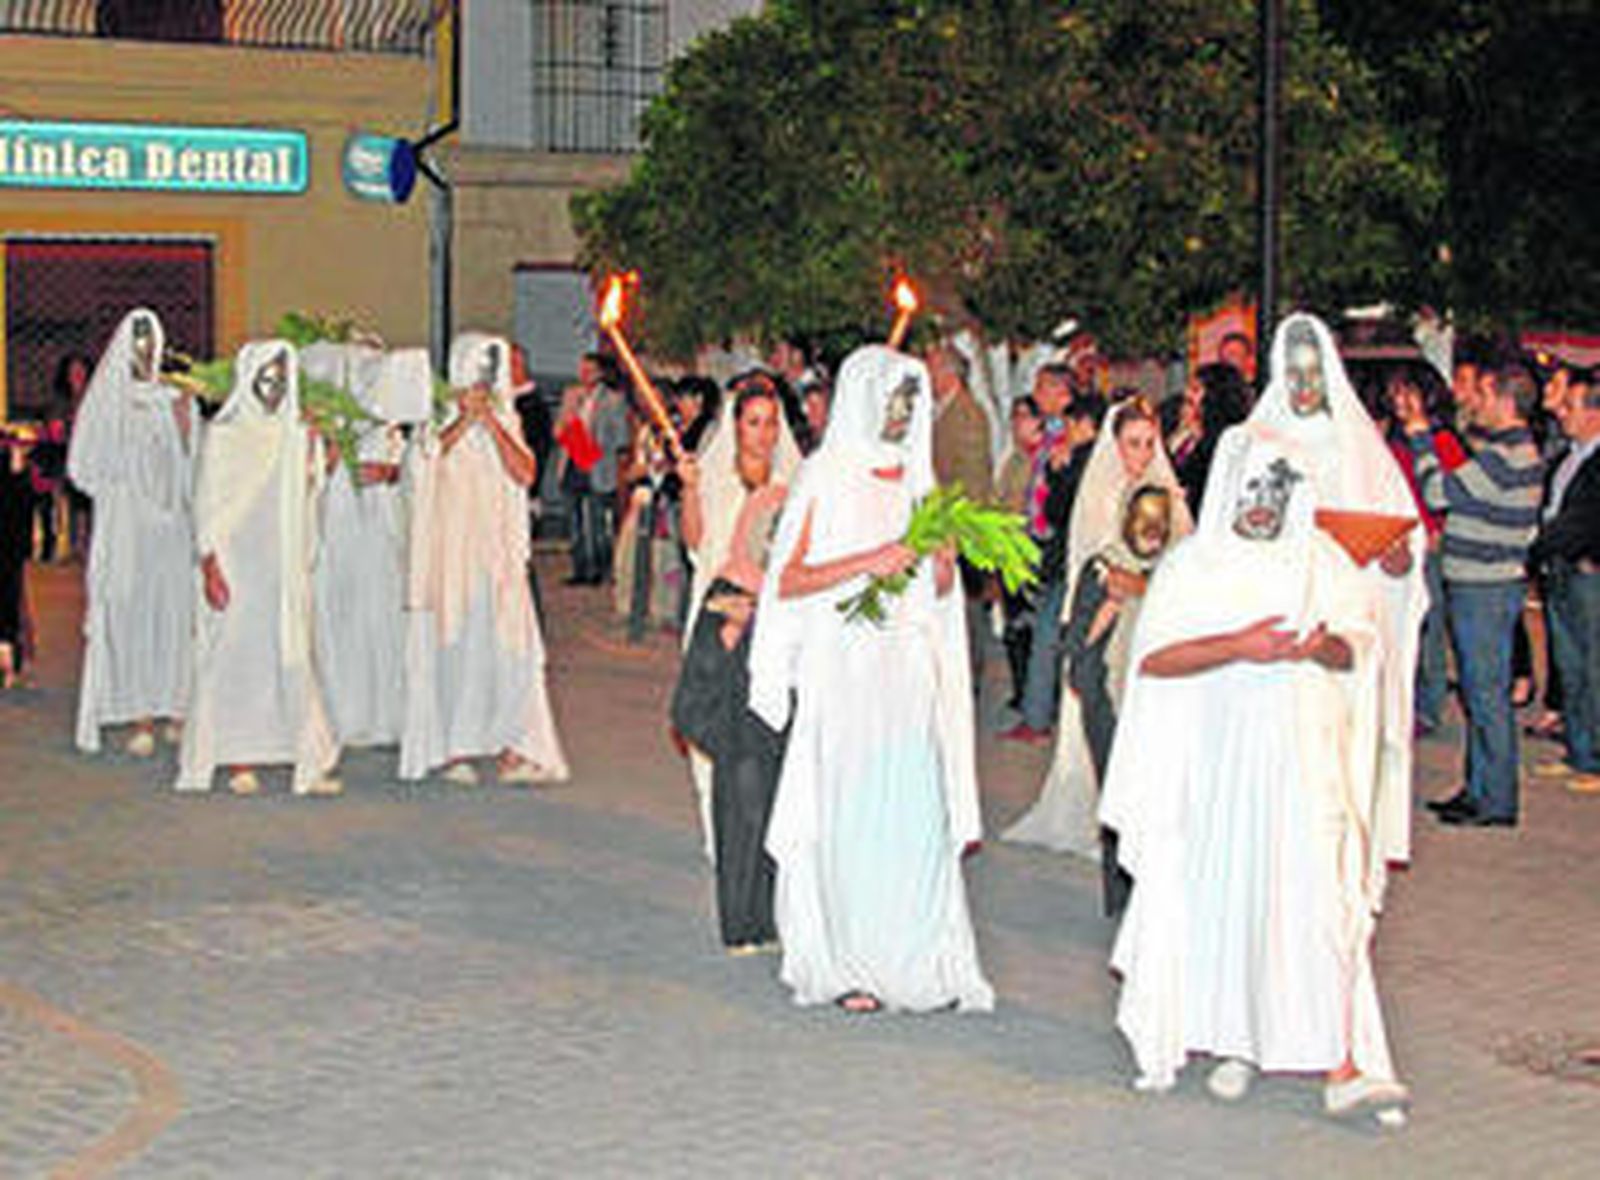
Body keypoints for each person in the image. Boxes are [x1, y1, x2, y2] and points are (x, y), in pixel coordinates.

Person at [1101, 425, 1410, 1125]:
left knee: (1322, 899)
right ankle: (1236, 1038)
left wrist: (1318, 645)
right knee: (1233, 897)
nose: (1265, 504)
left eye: (1280, 489)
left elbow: (1358, 651)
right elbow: (1155, 659)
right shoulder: (1193, 565)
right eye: (1255, 487)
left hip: (1306, 764)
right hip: (1220, 768)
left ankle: (1344, 1062)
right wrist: (1239, 647)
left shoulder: (1322, 561)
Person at [749, 345, 992, 1014]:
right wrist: (868, 561)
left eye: (912, 403)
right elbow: (789, 578)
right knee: (849, 818)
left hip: (905, 675)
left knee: (913, 814)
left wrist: (941, 560)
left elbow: (939, 590)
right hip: (845, 674)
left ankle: (917, 960)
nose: (903, 414)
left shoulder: (922, 483)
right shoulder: (825, 476)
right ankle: (847, 963)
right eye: (894, 400)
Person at [1003, 398, 1191, 854]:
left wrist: (1147, 583)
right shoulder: (1100, 491)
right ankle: (1106, 816)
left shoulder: (1165, 495)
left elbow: (1184, 561)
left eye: (1149, 443)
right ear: (1115, 444)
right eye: (1133, 444)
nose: (1142, 454)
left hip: (1151, 621)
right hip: (1104, 621)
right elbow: (1088, 556)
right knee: (1102, 712)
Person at [175, 342, 341, 797]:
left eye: (281, 379)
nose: (273, 389)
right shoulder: (225, 436)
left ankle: (303, 754)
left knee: (288, 654)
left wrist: (322, 447)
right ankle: (236, 756)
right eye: (266, 378)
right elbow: (206, 504)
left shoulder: (292, 433)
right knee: (235, 658)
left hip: (282, 564)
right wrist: (210, 564)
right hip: (238, 563)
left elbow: (313, 486)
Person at [401, 333, 568, 786]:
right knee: (459, 649)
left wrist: (491, 424)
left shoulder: (508, 419)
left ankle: (517, 743)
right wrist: (462, 421)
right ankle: (456, 746)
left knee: (515, 651)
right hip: (454, 555)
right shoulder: (435, 416)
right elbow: (424, 464)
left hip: (500, 556)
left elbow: (526, 472)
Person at [671, 380, 800, 947]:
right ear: (736, 425)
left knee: (766, 767)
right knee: (724, 764)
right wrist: (691, 491)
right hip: (723, 622)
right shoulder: (715, 475)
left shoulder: (795, 482)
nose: (764, 433)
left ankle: (765, 896)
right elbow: (698, 544)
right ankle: (728, 868)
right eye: (753, 422)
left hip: (775, 632)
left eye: (772, 422)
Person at [1404, 360, 1543, 827]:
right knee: (1480, 693)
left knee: (1485, 697)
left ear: (1505, 401)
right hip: (1483, 583)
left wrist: (1421, 437)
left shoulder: (1507, 456)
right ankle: (1479, 788)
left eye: (1482, 394)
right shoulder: (1503, 450)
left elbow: (1438, 491)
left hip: (1485, 586)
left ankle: (1495, 800)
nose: (1474, 402)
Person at [69, 309, 197, 757]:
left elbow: (192, 466)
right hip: (129, 530)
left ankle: (176, 708)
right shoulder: (108, 401)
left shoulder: (174, 397)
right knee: (135, 616)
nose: (145, 351)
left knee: (177, 615)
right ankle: (140, 711)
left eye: (151, 342)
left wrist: (185, 425)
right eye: (137, 343)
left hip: (173, 528)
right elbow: (84, 467)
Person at [1064, 484, 1176, 915]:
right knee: (1118, 794)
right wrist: (1112, 603)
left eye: (1159, 524)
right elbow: (1077, 646)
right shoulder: (1102, 567)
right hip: (1110, 698)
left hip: (1163, 701)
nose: (1150, 533)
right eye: (1143, 521)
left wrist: (1146, 590)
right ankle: (1121, 897)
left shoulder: (1178, 570)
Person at [303, 341, 411, 751]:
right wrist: (334, 456)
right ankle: (339, 714)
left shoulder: (388, 425)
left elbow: (405, 468)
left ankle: (384, 714)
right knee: (338, 617)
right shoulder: (323, 423)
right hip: (337, 531)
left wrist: (388, 473)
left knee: (379, 618)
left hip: (379, 533)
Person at [1005, 364, 1094, 743]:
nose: (1036, 394)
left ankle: (1038, 717)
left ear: (1063, 394)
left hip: (1055, 545)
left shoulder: (1066, 438)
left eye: (1043, 388)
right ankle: (1037, 712)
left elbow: (1056, 495)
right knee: (1041, 626)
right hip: (1044, 542)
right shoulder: (1050, 435)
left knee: (1046, 630)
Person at [1528, 367, 1600, 795]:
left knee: (1594, 667)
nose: (1562, 414)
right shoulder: (1567, 457)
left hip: (1588, 572)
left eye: (1571, 406)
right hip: (1559, 569)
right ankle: (1579, 750)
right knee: (1570, 666)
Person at [555, 353, 628, 585]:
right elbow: (558, 430)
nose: (584, 374)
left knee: (597, 521)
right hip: (572, 460)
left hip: (597, 463)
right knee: (574, 520)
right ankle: (579, 568)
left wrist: (597, 445)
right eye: (582, 369)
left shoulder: (613, 400)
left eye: (590, 370)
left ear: (601, 373)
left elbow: (620, 437)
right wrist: (569, 413)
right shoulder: (572, 395)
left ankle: (600, 568)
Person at [995, 397, 1044, 709]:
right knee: (1014, 626)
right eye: (1014, 416)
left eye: (1025, 416)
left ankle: (1032, 692)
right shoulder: (1012, 458)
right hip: (1007, 551)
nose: (1017, 422)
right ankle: (1020, 689)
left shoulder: (1039, 459)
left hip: (1029, 553)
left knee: (1030, 625)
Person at [0, 429, 34, 687]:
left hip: (7, 545)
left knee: (8, 606)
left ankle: (9, 665)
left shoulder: (9, 452)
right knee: (8, 605)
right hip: (9, 545)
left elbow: (21, 504)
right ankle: (9, 665)